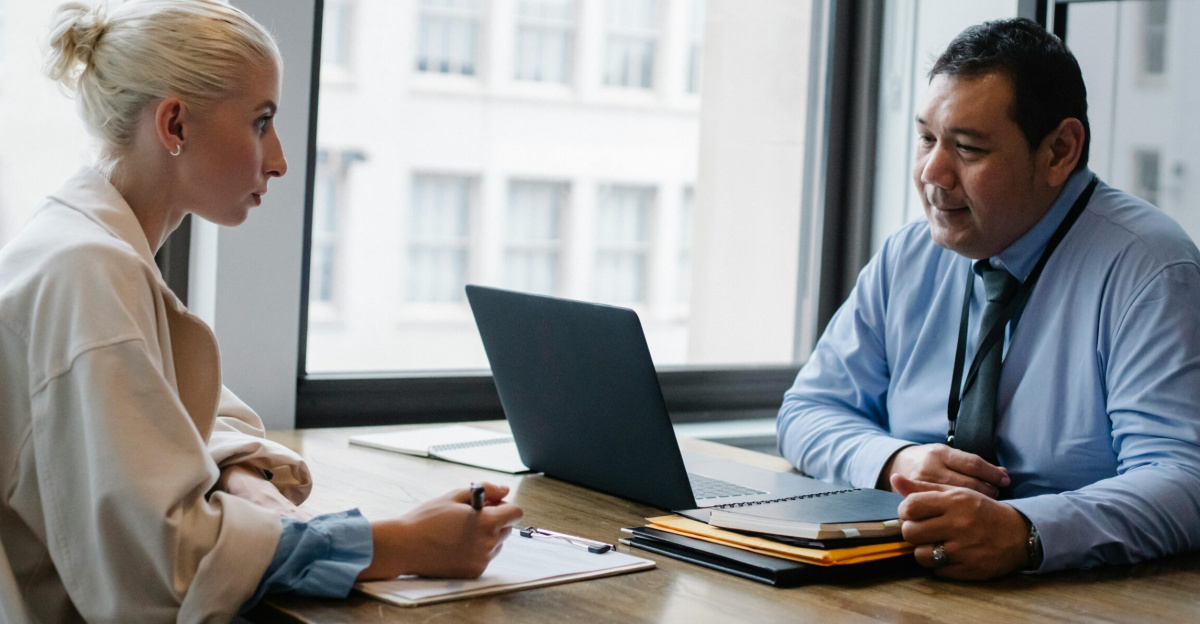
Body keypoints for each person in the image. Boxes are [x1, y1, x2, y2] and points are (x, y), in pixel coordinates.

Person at [0, 1, 522, 622]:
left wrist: (239, 476)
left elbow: (162, 422)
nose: (277, 159)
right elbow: (169, 570)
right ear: (174, 125)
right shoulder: (88, 271)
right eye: (261, 122)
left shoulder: (79, 242)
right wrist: (403, 542)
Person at [777, 17, 1200, 580]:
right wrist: (894, 461)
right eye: (927, 139)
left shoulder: (1150, 267)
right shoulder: (909, 255)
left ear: (1059, 151)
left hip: (1074, 595)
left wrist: (1027, 531)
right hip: (909, 578)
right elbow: (807, 411)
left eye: (968, 149)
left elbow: (1182, 478)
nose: (932, 173)